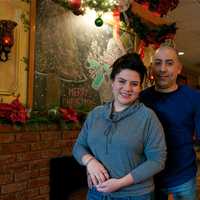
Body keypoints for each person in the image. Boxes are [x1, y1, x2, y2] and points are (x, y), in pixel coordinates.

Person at [72, 53, 166, 200]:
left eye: (134, 84)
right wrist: (90, 162)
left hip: (135, 195)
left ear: (140, 87)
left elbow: (157, 160)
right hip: (96, 193)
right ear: (112, 82)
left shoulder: (148, 117)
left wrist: (120, 183)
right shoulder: (96, 114)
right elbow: (79, 147)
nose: (127, 88)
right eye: (121, 81)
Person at [140, 45, 200, 200]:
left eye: (169, 63)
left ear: (179, 68)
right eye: (158, 63)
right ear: (152, 67)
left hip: (183, 178)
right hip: (148, 179)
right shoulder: (141, 99)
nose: (163, 69)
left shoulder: (194, 98)